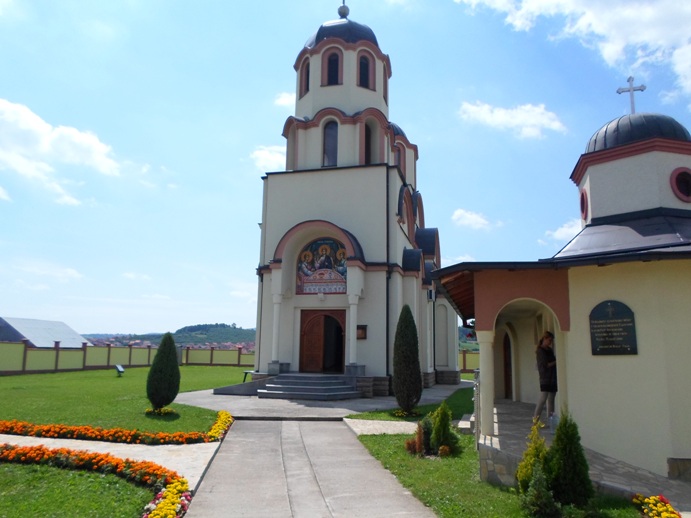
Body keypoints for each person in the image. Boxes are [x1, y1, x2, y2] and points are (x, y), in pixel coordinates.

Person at [533, 331, 557, 424]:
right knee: (543, 398)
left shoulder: (549, 350)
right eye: (549, 340)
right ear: (544, 339)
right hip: (545, 377)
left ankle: (551, 421)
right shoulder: (540, 351)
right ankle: (535, 420)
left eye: (551, 340)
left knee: (551, 398)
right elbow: (545, 364)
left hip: (552, 376)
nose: (550, 342)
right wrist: (556, 362)